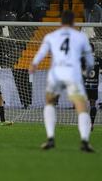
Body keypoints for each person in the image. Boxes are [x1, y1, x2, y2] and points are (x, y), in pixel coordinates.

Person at [29, 11, 95, 152]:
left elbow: (41, 53)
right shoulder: (81, 36)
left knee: (50, 102)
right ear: (73, 22)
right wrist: (89, 69)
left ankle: (51, 138)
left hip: (56, 73)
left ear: (61, 22)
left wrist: (33, 64)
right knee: (82, 107)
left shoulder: (51, 36)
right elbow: (90, 59)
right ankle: (84, 141)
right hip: (73, 73)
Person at [82, 43, 101, 131]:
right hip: (94, 86)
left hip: (85, 85)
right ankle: (91, 123)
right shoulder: (99, 59)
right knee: (92, 104)